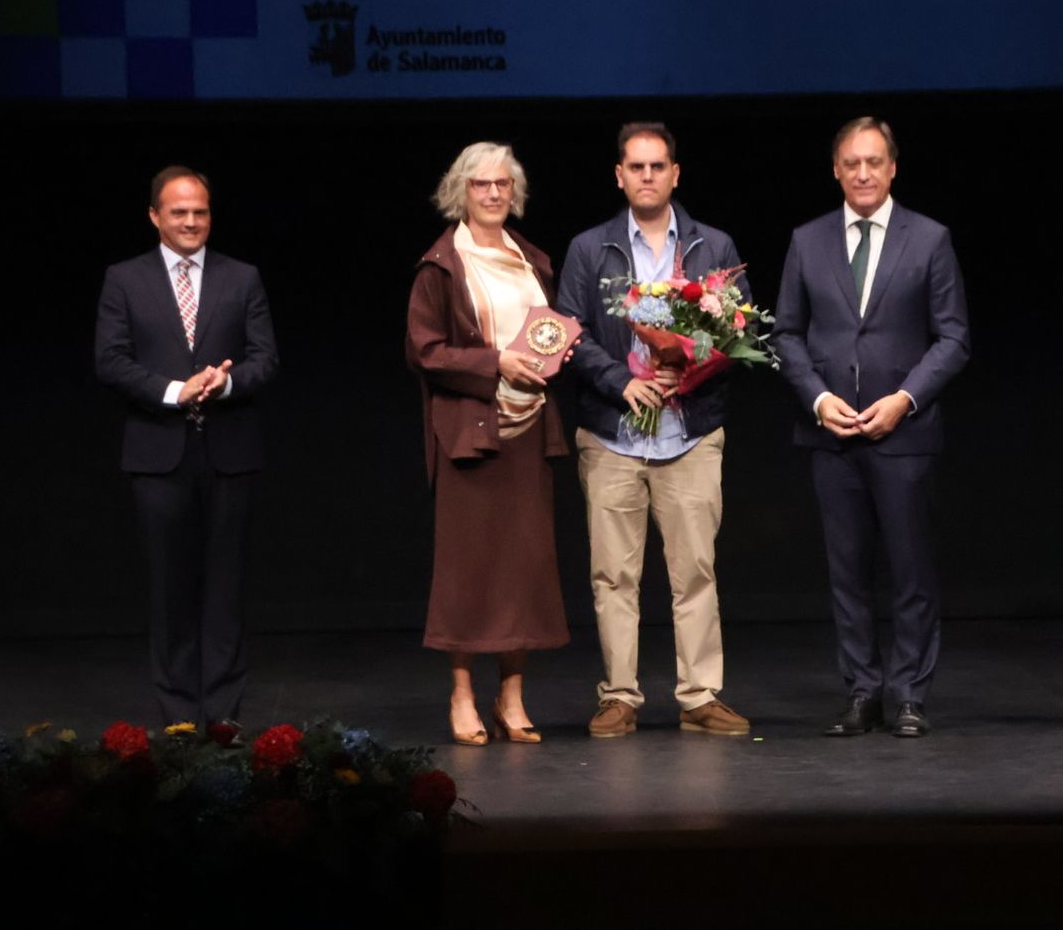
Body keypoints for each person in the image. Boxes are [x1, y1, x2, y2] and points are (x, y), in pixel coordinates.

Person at [774, 118, 970, 738]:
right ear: (836, 168)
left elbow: (955, 336)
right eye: (852, 163)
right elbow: (785, 333)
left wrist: (905, 398)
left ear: (893, 168)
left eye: (874, 162)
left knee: (910, 570)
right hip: (832, 434)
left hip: (903, 434)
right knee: (847, 571)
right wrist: (817, 398)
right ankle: (863, 689)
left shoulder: (930, 238)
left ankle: (908, 692)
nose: (863, 173)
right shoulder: (807, 241)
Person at [555, 122, 751, 738]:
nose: (646, 176)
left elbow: (737, 327)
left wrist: (685, 372)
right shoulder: (591, 249)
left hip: (689, 435)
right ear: (619, 175)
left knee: (695, 570)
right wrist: (624, 382)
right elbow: (569, 332)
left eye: (657, 166)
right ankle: (619, 695)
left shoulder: (712, 246)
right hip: (613, 434)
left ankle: (698, 696)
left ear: (675, 174)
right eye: (635, 167)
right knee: (614, 576)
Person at [95, 166, 279, 731]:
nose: (191, 221)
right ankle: (177, 716)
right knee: (170, 590)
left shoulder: (241, 277)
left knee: (225, 590)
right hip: (158, 455)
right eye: (179, 212)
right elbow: (111, 359)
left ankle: (223, 717)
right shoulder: (124, 279)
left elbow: (265, 359)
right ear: (155, 216)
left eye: (199, 211)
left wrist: (223, 383)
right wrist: (177, 390)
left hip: (229, 453)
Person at [406, 141, 570, 746]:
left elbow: (548, 332)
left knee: (523, 568)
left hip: (530, 429)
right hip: (473, 434)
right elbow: (424, 351)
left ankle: (513, 695)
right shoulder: (443, 265)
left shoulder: (533, 260)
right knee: (468, 571)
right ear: (461, 192)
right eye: (481, 185)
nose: (494, 193)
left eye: (503, 184)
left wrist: (553, 355)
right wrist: (496, 361)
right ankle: (462, 694)